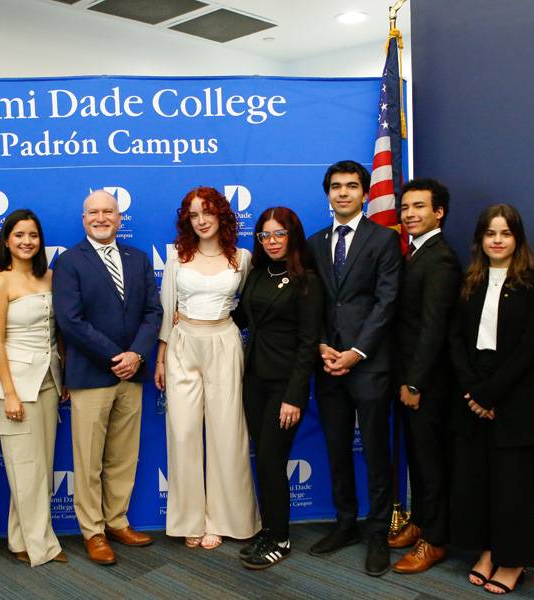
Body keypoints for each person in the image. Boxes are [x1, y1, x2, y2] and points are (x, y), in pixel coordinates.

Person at [53, 190, 163, 565]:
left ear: (119, 218)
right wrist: (116, 356)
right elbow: (70, 320)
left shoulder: (138, 258)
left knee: (122, 456)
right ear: (84, 220)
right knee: (88, 460)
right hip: (92, 374)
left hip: (132, 374)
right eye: (93, 212)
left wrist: (137, 354)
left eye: (108, 212)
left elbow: (153, 312)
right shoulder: (70, 261)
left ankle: (117, 521)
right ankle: (93, 531)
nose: (101, 218)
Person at [448, 204, 534, 594]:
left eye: (505, 233)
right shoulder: (468, 281)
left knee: (512, 486)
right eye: (490, 233)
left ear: (517, 239)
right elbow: (454, 339)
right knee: (478, 481)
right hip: (472, 393)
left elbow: (531, 346)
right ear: (480, 240)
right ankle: (489, 551)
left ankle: (514, 561)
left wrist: (490, 393)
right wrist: (473, 391)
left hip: (515, 396)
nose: (497, 240)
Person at [305, 160, 402, 577]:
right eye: (336, 187)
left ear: (365, 194)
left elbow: (387, 303)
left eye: (352, 186)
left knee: (377, 450)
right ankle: (346, 523)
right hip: (327, 363)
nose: (343, 193)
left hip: (369, 364)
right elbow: (313, 303)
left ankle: (379, 530)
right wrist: (324, 346)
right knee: (337, 447)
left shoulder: (384, 239)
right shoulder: (313, 242)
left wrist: (357, 352)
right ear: (328, 194)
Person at [154, 186, 258, 551]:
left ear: (222, 216)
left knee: (227, 434)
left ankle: (224, 519)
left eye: (207, 212)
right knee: (182, 434)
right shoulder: (177, 257)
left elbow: (250, 305)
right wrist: (162, 357)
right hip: (183, 344)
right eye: (194, 215)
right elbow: (167, 309)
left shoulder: (242, 258)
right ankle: (189, 519)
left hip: (225, 343)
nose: (201, 220)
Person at [232, 207, 323, 569]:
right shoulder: (256, 274)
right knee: (264, 460)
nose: (271, 242)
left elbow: (308, 344)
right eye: (264, 235)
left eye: (279, 234)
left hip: (285, 386)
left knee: (272, 460)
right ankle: (269, 530)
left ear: (293, 236)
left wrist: (294, 397)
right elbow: (241, 317)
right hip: (253, 380)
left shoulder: (307, 281)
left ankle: (280, 539)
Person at [0, 209, 66, 567]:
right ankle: (41, 546)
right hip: (15, 384)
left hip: (49, 379)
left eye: (33, 235)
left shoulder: (50, 277)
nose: (26, 241)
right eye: (19, 235)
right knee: (24, 466)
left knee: (40, 467)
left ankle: (20, 540)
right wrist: (10, 392)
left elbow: (59, 331)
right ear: (6, 241)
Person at [390, 178, 462, 575]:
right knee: (418, 458)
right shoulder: (415, 252)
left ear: (439, 212)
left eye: (419, 207)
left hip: (427, 384)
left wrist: (415, 382)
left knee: (432, 463)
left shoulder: (441, 259)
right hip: (408, 378)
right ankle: (420, 521)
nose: (410, 214)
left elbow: (433, 329)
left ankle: (434, 540)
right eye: (405, 208)